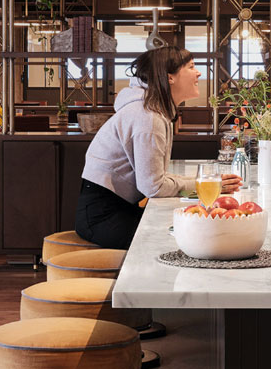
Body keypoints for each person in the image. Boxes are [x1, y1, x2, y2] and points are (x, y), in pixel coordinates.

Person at [76, 46, 241, 248]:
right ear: (169, 77)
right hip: (101, 217)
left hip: (114, 209)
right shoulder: (148, 118)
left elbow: (155, 180)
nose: (198, 72)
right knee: (182, 239)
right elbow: (153, 187)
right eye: (191, 67)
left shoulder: (152, 111)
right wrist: (202, 185)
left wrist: (206, 183)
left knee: (188, 230)